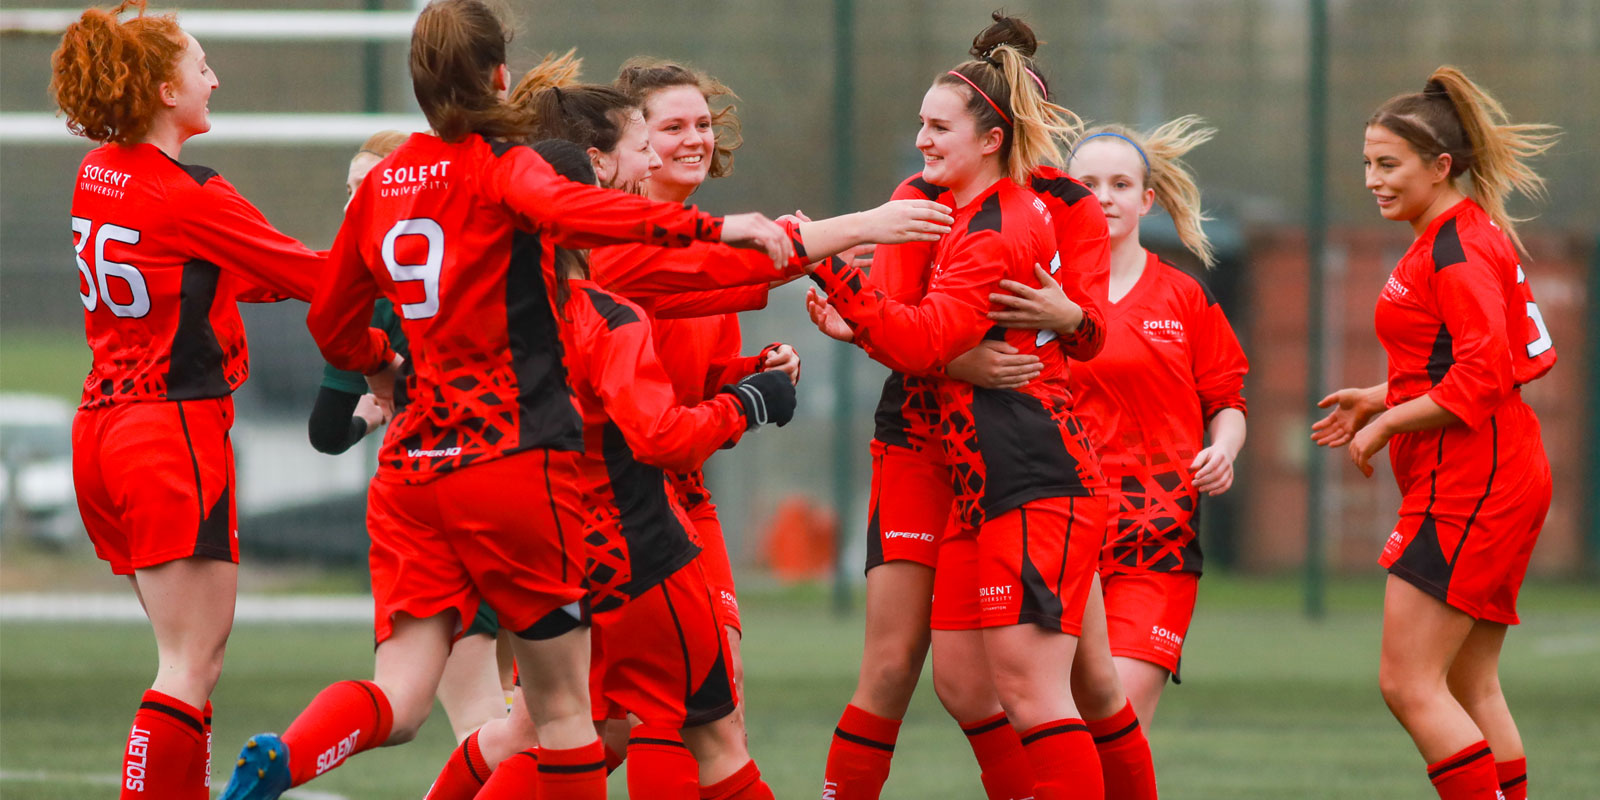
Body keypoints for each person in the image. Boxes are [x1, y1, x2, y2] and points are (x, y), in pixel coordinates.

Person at [217, 0, 797, 797]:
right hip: (509, 465)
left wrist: (380, 366)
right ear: (498, 75)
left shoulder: (385, 182)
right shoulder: (500, 169)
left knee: (401, 698)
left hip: (411, 473)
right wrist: (719, 229)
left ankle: (294, 753)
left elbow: (331, 318)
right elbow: (575, 211)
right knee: (565, 719)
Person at [428, 138, 791, 800]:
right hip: (641, 557)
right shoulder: (604, 316)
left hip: (549, 565)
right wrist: (749, 403)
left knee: (567, 733)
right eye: (612, 192)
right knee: (714, 737)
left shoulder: (486, 324)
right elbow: (661, 437)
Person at [804, 20, 1112, 799]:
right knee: (930, 673)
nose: (922, 142)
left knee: (1070, 683)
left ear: (998, 133)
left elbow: (1085, 333)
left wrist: (1067, 319)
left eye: (938, 126)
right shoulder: (925, 200)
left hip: (1019, 450)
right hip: (928, 437)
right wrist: (951, 349)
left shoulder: (1045, 208)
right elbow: (908, 330)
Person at [53, 2, 326, 797]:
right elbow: (316, 278)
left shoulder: (95, 169)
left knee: (184, 661)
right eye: (202, 66)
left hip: (104, 432)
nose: (214, 78)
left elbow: (208, 275)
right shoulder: (190, 195)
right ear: (167, 90)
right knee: (188, 664)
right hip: (170, 432)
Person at [1312, 66, 1557, 800]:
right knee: (1468, 684)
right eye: (1367, 163)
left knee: (1409, 683)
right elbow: (1461, 360)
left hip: (1475, 475)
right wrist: (1381, 394)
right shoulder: (1450, 234)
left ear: (1440, 166)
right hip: (1493, 466)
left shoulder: (1457, 250)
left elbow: (1482, 381)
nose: (1372, 180)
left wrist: (1388, 421)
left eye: (1388, 165)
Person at [306, 129, 509, 744]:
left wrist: (371, 411)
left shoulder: (369, 292)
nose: (352, 204)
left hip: (416, 486)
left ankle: (292, 754)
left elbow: (325, 431)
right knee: (546, 718)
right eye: (348, 190)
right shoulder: (481, 255)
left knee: (460, 714)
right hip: (510, 478)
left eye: (364, 188)